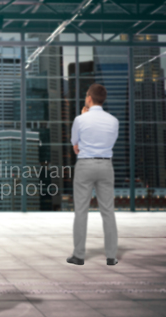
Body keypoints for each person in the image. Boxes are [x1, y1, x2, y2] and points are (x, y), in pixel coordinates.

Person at [68, 83, 119, 266]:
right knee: (108, 211)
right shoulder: (114, 121)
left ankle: (79, 255)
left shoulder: (81, 120)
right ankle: (111, 256)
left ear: (89, 98)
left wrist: (83, 117)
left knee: (81, 211)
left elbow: (75, 145)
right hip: (106, 166)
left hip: (85, 165)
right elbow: (111, 143)